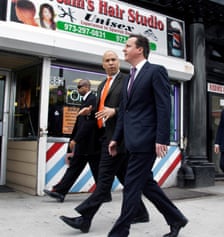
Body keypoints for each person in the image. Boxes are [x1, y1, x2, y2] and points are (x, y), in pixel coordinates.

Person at [59, 51, 149, 233]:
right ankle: (140, 213)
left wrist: (115, 111)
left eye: (113, 59)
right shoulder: (101, 85)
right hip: (106, 137)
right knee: (126, 178)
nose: (110, 63)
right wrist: (89, 113)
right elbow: (100, 111)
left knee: (104, 180)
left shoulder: (126, 81)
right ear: (102, 64)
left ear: (119, 62)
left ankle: (85, 218)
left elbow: (132, 106)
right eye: (107, 61)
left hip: (118, 138)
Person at [108, 34, 188, 237]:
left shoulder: (155, 71)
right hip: (129, 141)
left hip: (145, 140)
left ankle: (119, 232)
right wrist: (116, 138)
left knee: (131, 187)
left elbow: (164, 106)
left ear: (140, 49)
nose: (123, 49)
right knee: (146, 184)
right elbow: (124, 112)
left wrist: (162, 138)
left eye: (127, 46)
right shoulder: (128, 78)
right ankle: (176, 218)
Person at [44, 79, 101, 202]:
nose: (78, 89)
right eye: (77, 87)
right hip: (86, 144)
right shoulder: (86, 100)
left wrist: (76, 139)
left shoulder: (91, 100)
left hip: (88, 143)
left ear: (86, 87)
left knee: (87, 169)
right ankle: (60, 191)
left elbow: (87, 123)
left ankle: (61, 191)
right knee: (78, 168)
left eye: (80, 87)